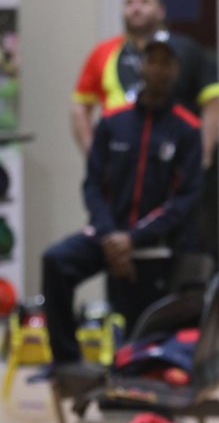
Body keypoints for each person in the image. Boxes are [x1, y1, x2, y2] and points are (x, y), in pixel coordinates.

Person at [43, 37, 203, 377]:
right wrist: (110, 237)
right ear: (141, 67)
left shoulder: (187, 129)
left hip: (153, 248)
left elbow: (184, 201)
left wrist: (132, 239)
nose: (159, 70)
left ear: (176, 70)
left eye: (167, 63)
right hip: (107, 237)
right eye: (153, 61)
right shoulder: (112, 122)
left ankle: (130, 379)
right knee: (56, 261)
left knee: (133, 353)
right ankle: (67, 363)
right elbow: (92, 185)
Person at [70, 0, 219, 260]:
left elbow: (212, 104)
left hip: (168, 167)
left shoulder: (187, 50)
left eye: (144, 2)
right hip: (121, 172)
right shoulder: (103, 53)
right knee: (93, 252)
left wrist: (202, 156)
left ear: (161, 9)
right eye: (129, 2)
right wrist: (97, 156)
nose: (136, 8)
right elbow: (80, 106)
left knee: (177, 250)